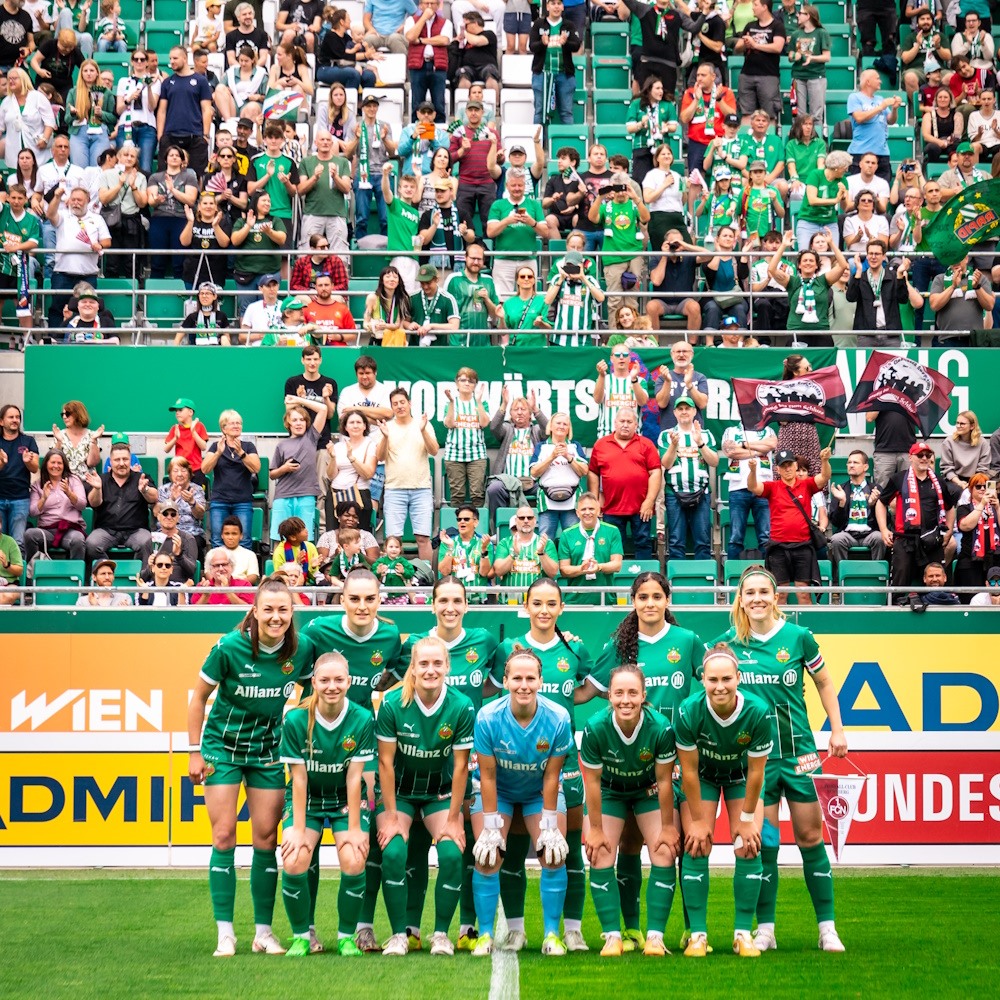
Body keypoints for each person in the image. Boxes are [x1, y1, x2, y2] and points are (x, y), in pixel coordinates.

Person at [710, 569, 847, 953]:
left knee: (811, 838)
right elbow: (698, 672)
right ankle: (766, 930)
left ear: (775, 597)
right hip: (757, 764)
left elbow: (824, 682)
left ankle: (827, 929)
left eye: (763, 592)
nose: (756, 598)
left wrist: (837, 730)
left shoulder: (799, 637)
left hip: (800, 754)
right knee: (764, 845)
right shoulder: (727, 644)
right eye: (749, 592)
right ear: (740, 600)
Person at [187, 578, 314, 957]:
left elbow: (310, 693)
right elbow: (198, 698)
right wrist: (194, 751)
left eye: (283, 610)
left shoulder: (302, 649)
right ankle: (225, 933)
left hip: (268, 751)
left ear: (291, 613)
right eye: (268, 609)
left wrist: (300, 729)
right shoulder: (229, 647)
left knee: (266, 839)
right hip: (221, 749)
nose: (276, 617)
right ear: (255, 611)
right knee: (223, 835)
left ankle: (263, 932)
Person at [298, 569, 404, 951]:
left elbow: (399, 672)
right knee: (306, 838)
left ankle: (362, 926)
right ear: (341, 599)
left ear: (380, 600)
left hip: (363, 746)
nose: (362, 606)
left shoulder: (390, 635)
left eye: (369, 599)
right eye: (354, 598)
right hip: (315, 745)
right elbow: (297, 673)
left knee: (368, 837)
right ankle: (307, 929)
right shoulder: (317, 630)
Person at [469, 645, 574, 957]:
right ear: (505, 681)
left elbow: (552, 776)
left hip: (537, 793)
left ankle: (552, 934)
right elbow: (488, 776)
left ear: (541, 681)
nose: (524, 685)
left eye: (530, 678)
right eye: (517, 678)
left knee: (553, 853)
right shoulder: (487, 717)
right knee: (487, 855)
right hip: (498, 792)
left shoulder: (558, 717)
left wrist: (550, 825)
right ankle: (485, 935)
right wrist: (491, 827)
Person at [374, 635, 475, 956]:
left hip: (439, 794)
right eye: (424, 664)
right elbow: (385, 764)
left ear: (447, 666)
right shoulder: (392, 703)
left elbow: (461, 767)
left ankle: (441, 934)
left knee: (452, 854)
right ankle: (399, 935)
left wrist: (454, 818)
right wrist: (392, 817)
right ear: (413, 669)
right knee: (392, 852)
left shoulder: (461, 705)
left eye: (437, 663)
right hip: (399, 794)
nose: (431, 670)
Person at [672, 643, 772, 958]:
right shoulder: (688, 710)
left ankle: (742, 934)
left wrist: (747, 820)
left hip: (741, 778)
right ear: (702, 679)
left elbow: (756, 772)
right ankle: (698, 936)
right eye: (713, 680)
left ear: (738, 678)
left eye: (726, 679)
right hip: (702, 777)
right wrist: (698, 821)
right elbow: (689, 771)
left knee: (748, 845)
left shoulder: (757, 711)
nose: (720, 687)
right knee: (696, 844)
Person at [278, 650, 372, 957]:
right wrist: (297, 829)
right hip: (307, 799)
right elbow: (299, 779)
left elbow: (354, 778)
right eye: (325, 680)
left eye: (339, 680)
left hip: (345, 800)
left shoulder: (361, 718)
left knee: (355, 858)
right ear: (314, 683)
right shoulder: (295, 719)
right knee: (294, 858)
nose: (332, 686)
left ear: (349, 682)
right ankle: (301, 937)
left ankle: (346, 937)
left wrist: (355, 828)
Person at [748, 445, 831, 604]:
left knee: (804, 594)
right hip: (778, 547)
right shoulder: (772, 487)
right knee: (780, 594)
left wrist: (825, 461)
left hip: (803, 546)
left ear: (795, 465)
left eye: (790, 464)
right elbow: (753, 487)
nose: (787, 468)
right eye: (783, 466)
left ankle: (806, 621)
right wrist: (752, 471)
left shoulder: (806, 485)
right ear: (777, 469)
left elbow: (825, 476)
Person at [876, 442, 962, 594]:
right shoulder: (898, 478)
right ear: (910, 457)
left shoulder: (939, 481)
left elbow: (950, 508)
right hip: (905, 539)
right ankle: (897, 606)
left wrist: (948, 531)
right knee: (900, 581)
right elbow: (881, 503)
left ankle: (935, 605)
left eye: (928, 455)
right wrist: (883, 529)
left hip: (932, 539)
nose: (924, 458)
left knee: (936, 580)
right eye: (920, 455)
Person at [376, 387, 439, 562]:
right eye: (395, 404)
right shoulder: (387, 427)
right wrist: (385, 437)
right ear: (391, 407)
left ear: (409, 403)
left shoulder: (423, 424)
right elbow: (380, 457)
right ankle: (393, 575)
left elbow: (434, 451)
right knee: (393, 540)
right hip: (394, 489)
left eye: (402, 402)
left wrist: (423, 430)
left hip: (421, 489)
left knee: (423, 538)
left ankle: (426, 576)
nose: (399, 406)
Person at [587, 171, 650, 325]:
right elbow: (592, 218)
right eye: (617, 188)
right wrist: (600, 196)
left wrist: (636, 197)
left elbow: (646, 218)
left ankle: (632, 334)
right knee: (614, 300)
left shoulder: (634, 205)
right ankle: (615, 335)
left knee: (632, 300)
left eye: (624, 188)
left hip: (634, 255)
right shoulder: (606, 207)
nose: (621, 192)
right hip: (613, 257)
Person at [45, 184, 111, 329]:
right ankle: (55, 338)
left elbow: (107, 241)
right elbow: (49, 214)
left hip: (88, 274)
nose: (75, 203)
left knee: (87, 310)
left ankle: (85, 339)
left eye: (79, 200)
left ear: (88, 201)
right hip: (62, 273)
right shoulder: (62, 215)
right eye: (73, 199)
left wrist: (99, 244)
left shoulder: (97, 218)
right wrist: (57, 196)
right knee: (57, 308)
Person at [660, 396, 717, 561]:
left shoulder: (705, 434)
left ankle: (703, 576)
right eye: (680, 409)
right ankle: (677, 576)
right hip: (674, 494)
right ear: (674, 413)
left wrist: (700, 443)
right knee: (676, 541)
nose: (684, 412)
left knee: (703, 541)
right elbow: (666, 463)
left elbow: (714, 461)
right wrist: (673, 445)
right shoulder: (666, 435)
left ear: (694, 411)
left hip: (701, 493)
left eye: (687, 408)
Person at [83, 441, 156, 567]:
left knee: (147, 543)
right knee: (91, 544)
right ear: (110, 462)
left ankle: (138, 575)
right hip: (106, 530)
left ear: (130, 460)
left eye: (125, 459)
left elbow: (154, 497)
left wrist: (145, 490)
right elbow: (94, 503)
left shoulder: (141, 478)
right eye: (117, 460)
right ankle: (107, 572)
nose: (121, 463)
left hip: (136, 531)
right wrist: (97, 489)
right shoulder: (101, 479)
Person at [271, 395, 328, 542]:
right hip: (283, 496)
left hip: (306, 495)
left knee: (304, 538)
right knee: (280, 538)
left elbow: (323, 409)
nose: (299, 423)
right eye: (295, 420)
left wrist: (299, 400)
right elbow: (272, 474)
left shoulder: (311, 437)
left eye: (302, 420)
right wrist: (284, 468)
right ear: (288, 423)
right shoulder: (281, 445)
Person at [485, 167, 547, 300]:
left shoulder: (534, 204)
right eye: (513, 185)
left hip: (528, 258)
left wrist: (532, 222)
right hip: (503, 259)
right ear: (507, 185)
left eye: (520, 185)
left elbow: (546, 233)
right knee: (501, 299)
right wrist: (507, 221)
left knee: (529, 298)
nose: (517, 188)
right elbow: (490, 232)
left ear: (525, 186)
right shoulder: (498, 205)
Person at [201, 410, 260, 548]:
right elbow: (205, 469)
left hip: (243, 501)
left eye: (239, 423)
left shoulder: (248, 446)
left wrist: (241, 453)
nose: (236, 426)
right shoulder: (215, 446)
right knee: (217, 540)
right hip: (220, 501)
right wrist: (218, 453)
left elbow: (256, 468)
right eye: (232, 423)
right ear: (224, 428)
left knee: (244, 540)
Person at [846, 241, 923, 346]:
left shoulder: (893, 276)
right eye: (870, 253)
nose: (873, 257)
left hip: (890, 335)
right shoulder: (861, 276)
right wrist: (858, 270)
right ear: (867, 256)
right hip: (866, 335)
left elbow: (903, 299)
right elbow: (851, 297)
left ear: (883, 256)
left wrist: (900, 275)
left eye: (877, 254)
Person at [721, 420, 776, 560]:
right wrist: (759, 450)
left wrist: (744, 445)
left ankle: (768, 569)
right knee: (735, 536)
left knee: (765, 536)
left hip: (763, 487)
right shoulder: (731, 431)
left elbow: (773, 445)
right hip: (738, 488)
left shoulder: (768, 430)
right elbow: (730, 451)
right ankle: (733, 571)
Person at [556, 492, 624, 605]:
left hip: (605, 600)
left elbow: (617, 565)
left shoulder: (612, 531)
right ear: (577, 513)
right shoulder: (567, 534)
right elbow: (564, 569)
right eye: (583, 509)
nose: (587, 512)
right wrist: (581, 569)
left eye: (591, 509)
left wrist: (599, 567)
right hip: (574, 600)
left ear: (598, 511)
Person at [156, 46, 213, 179]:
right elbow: (162, 110)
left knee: (197, 176)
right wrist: (160, 136)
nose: (172, 62)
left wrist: (205, 135)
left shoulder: (201, 81)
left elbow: (206, 109)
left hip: (195, 136)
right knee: (164, 175)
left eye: (175, 58)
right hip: (170, 136)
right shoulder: (167, 82)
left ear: (185, 58)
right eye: (170, 58)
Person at [530, 412, 589, 539]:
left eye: (565, 424)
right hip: (547, 503)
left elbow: (584, 471)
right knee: (546, 541)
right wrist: (552, 457)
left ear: (569, 429)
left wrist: (568, 456)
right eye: (558, 423)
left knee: (573, 540)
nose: (561, 426)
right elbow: (534, 472)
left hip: (572, 502)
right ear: (550, 426)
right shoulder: (541, 447)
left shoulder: (574, 446)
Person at [25, 448, 87, 564]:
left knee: (78, 539)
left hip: (69, 529)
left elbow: (82, 505)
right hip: (47, 530)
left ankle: (75, 573)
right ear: (46, 464)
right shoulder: (38, 485)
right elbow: (32, 512)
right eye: (52, 462)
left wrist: (69, 493)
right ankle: (32, 572)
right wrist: (43, 498)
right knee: (30, 534)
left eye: (59, 463)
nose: (56, 466)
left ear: (64, 465)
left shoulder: (73, 480)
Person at [827, 449, 886, 569]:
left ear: (865, 467)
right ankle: (842, 575)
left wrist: (873, 505)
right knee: (837, 539)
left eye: (856, 462)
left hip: (870, 533)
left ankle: (877, 573)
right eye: (849, 462)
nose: (851, 465)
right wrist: (841, 503)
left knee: (880, 538)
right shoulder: (841, 489)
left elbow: (886, 520)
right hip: (847, 534)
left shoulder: (875, 489)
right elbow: (835, 522)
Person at [442, 367, 490, 510]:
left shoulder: (481, 403)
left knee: (477, 494)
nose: (467, 383)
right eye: (463, 380)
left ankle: (478, 523)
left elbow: (484, 423)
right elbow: (449, 424)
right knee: (457, 495)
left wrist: (479, 401)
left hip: (477, 455)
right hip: (454, 455)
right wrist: (451, 402)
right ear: (457, 383)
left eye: (471, 381)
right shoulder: (450, 403)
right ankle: (457, 523)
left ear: (475, 385)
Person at [528, 0, 582, 126]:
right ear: (547, 6)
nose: (556, 7)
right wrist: (543, 43)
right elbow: (532, 46)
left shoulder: (569, 25)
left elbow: (576, 46)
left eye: (559, 3)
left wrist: (565, 43)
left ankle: (567, 139)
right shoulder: (538, 24)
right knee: (539, 112)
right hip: (541, 74)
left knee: (566, 112)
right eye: (553, 3)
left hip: (564, 75)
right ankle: (538, 138)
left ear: (563, 6)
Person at [734, 0, 785, 124]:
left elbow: (778, 47)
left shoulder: (777, 26)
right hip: (747, 74)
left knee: (769, 115)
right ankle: (746, 136)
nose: (752, 8)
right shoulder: (750, 26)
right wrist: (745, 44)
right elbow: (737, 48)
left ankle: (770, 137)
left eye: (755, 5)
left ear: (764, 7)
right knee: (746, 113)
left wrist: (755, 45)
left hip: (768, 75)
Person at [847, 69, 902, 182]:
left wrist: (894, 109)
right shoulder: (855, 97)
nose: (880, 81)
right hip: (860, 152)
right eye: (877, 78)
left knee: (882, 188)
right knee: (860, 189)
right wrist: (881, 107)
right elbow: (859, 118)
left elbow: (890, 120)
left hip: (882, 152)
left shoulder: (879, 99)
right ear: (868, 82)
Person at [929, 258, 995, 347]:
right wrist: (953, 286)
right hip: (948, 339)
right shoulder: (940, 279)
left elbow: (989, 305)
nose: (956, 261)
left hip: (974, 339)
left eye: (959, 258)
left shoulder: (979, 278)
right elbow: (934, 305)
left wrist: (977, 287)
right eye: (953, 257)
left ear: (966, 259)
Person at [795, 149, 851, 250]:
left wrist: (843, 196)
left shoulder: (843, 180)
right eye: (845, 167)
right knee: (805, 253)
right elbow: (812, 200)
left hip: (829, 222)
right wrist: (835, 200)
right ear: (836, 167)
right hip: (808, 221)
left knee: (834, 254)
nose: (846, 170)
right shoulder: (815, 174)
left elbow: (845, 207)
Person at [953, 474, 999, 600]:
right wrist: (982, 504)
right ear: (971, 489)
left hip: (994, 559)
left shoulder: (996, 506)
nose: (982, 489)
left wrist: (998, 507)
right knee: (970, 598)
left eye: (986, 486)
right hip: (970, 560)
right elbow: (965, 526)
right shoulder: (964, 508)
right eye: (978, 486)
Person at [594, 348, 649, 439]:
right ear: (612, 358)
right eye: (617, 354)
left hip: (633, 438)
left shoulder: (640, 381)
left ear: (629, 358)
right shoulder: (604, 379)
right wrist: (601, 376)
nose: (621, 357)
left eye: (625, 354)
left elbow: (643, 402)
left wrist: (634, 380)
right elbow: (597, 399)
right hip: (606, 437)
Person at [941, 410, 991, 491]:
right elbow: (947, 468)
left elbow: (983, 469)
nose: (958, 426)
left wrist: (972, 484)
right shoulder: (948, 442)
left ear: (972, 426)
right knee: (957, 492)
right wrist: (959, 483)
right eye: (957, 423)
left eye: (962, 424)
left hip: (977, 480)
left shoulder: (983, 443)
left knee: (988, 492)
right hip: (954, 480)